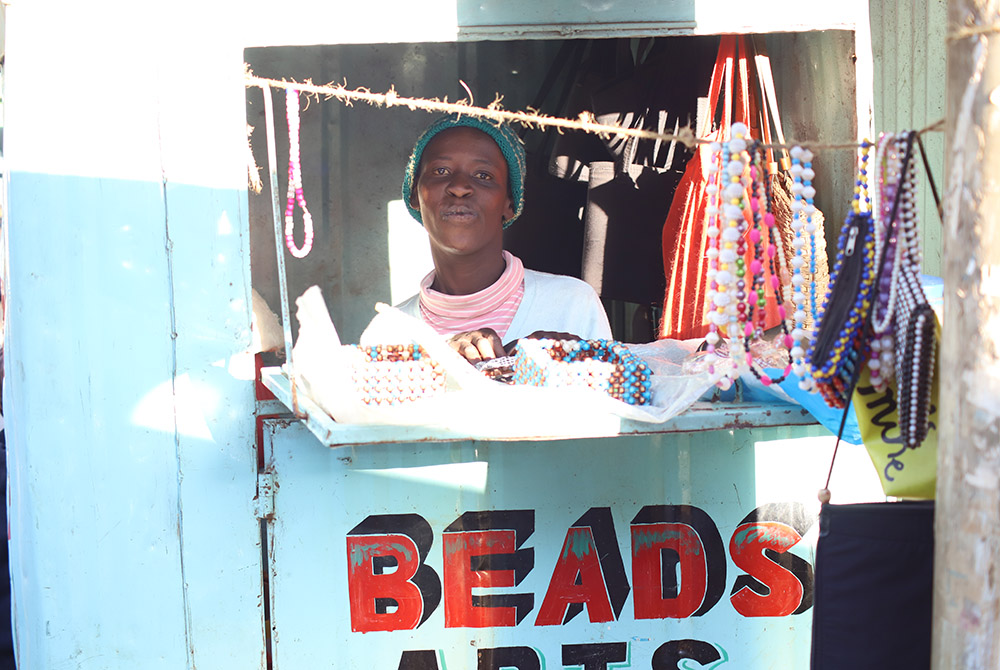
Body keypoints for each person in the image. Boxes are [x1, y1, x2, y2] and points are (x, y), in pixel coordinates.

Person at [389, 113, 612, 364]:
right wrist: (439, 364)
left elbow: (615, 399)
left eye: (483, 175)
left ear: (509, 202)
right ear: (415, 195)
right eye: (441, 171)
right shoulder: (391, 332)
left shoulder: (571, 305)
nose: (460, 187)